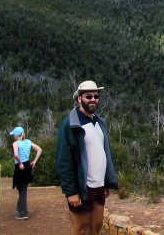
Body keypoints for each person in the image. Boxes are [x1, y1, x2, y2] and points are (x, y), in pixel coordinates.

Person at [56, 80, 118, 235]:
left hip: (99, 186)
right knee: (80, 229)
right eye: (88, 96)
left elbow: (102, 153)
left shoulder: (100, 122)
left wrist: (106, 182)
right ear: (79, 99)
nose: (93, 99)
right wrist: (71, 191)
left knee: (96, 226)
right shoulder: (71, 124)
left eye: (96, 96)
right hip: (82, 187)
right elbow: (63, 160)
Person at [10, 126, 42, 220]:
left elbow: (16, 155)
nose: (13, 136)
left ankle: (23, 213)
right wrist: (34, 161)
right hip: (28, 166)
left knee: (22, 190)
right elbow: (39, 150)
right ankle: (18, 209)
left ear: (16, 135)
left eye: (13, 135)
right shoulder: (28, 142)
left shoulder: (16, 143)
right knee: (23, 189)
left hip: (20, 167)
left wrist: (19, 163)